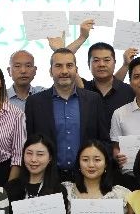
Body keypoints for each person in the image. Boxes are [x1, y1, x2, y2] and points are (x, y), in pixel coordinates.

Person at [23, 48, 108, 183]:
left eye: (69, 66)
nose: (64, 71)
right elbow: (29, 142)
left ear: (76, 70)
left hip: (87, 178)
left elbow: (103, 140)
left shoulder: (93, 100)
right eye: (58, 66)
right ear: (50, 71)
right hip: (47, 178)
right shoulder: (35, 102)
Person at [84, 42, 134, 113]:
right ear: (88, 64)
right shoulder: (82, 90)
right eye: (96, 60)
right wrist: (82, 38)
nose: (101, 64)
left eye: (107, 60)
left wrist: (126, 64)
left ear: (114, 62)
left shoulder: (130, 92)